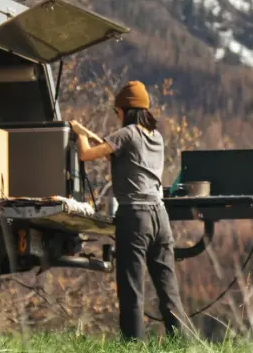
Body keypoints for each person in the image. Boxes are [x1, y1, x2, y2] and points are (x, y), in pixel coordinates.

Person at [70, 80, 188, 341]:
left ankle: (133, 344)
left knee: (132, 287)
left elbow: (87, 155)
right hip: (160, 217)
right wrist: (93, 135)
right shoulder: (156, 137)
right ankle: (183, 343)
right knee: (168, 288)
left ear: (124, 111)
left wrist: (79, 133)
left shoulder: (126, 134)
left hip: (136, 217)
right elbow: (118, 153)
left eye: (117, 112)